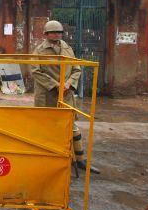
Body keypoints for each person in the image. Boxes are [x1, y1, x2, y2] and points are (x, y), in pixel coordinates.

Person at [31, 20, 100, 174]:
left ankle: (80, 160)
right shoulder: (39, 51)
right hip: (47, 95)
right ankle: (48, 159)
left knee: (72, 126)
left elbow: (77, 69)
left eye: (59, 32)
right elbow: (35, 72)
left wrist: (69, 83)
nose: (57, 34)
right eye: (54, 32)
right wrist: (56, 85)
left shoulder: (67, 49)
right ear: (47, 34)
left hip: (67, 94)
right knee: (47, 126)